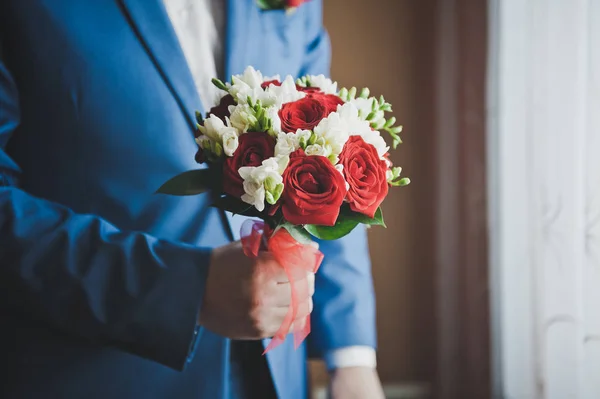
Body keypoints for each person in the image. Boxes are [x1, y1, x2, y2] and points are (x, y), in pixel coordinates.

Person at [0, 1, 385, 398]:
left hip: (275, 376)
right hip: (101, 370)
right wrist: (184, 289)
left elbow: (331, 148)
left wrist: (352, 359)